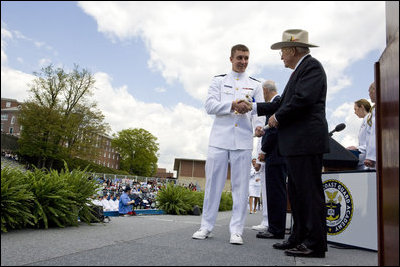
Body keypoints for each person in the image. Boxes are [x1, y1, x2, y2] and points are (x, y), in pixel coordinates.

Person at [251, 29, 329, 258]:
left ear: (293, 50)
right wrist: (253, 107)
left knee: (309, 193)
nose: (281, 57)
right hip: (296, 144)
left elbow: (302, 101)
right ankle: (298, 236)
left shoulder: (312, 67)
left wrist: (278, 118)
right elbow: (281, 103)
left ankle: (315, 243)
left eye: (283, 51)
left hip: (306, 142)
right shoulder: (299, 71)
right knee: (296, 194)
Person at [192, 44, 265, 245]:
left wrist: (259, 128)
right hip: (219, 140)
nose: (243, 62)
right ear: (231, 58)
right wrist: (232, 105)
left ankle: (237, 231)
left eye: (246, 58)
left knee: (241, 188)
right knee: (213, 185)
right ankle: (206, 226)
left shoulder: (255, 84)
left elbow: (259, 111)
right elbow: (209, 106)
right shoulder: (218, 81)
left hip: (242, 140)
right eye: (239, 58)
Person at [255, 80, 288, 240]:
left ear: (266, 90)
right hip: (278, 154)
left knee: (276, 192)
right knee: (275, 191)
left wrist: (264, 149)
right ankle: (275, 227)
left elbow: (275, 130)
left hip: (276, 154)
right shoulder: (277, 102)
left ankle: (276, 229)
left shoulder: (277, 103)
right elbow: (271, 128)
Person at [346, 99, 372, 169]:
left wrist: (357, 148)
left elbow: (372, 141)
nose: (355, 112)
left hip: (368, 160)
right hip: (363, 158)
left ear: (362, 107)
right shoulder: (365, 120)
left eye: (355, 109)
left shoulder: (370, 119)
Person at [364, 82, 376, 169]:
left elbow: (375, 132)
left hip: (375, 157)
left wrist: (371, 157)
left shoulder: (379, 108)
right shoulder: (374, 109)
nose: (369, 94)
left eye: (370, 92)